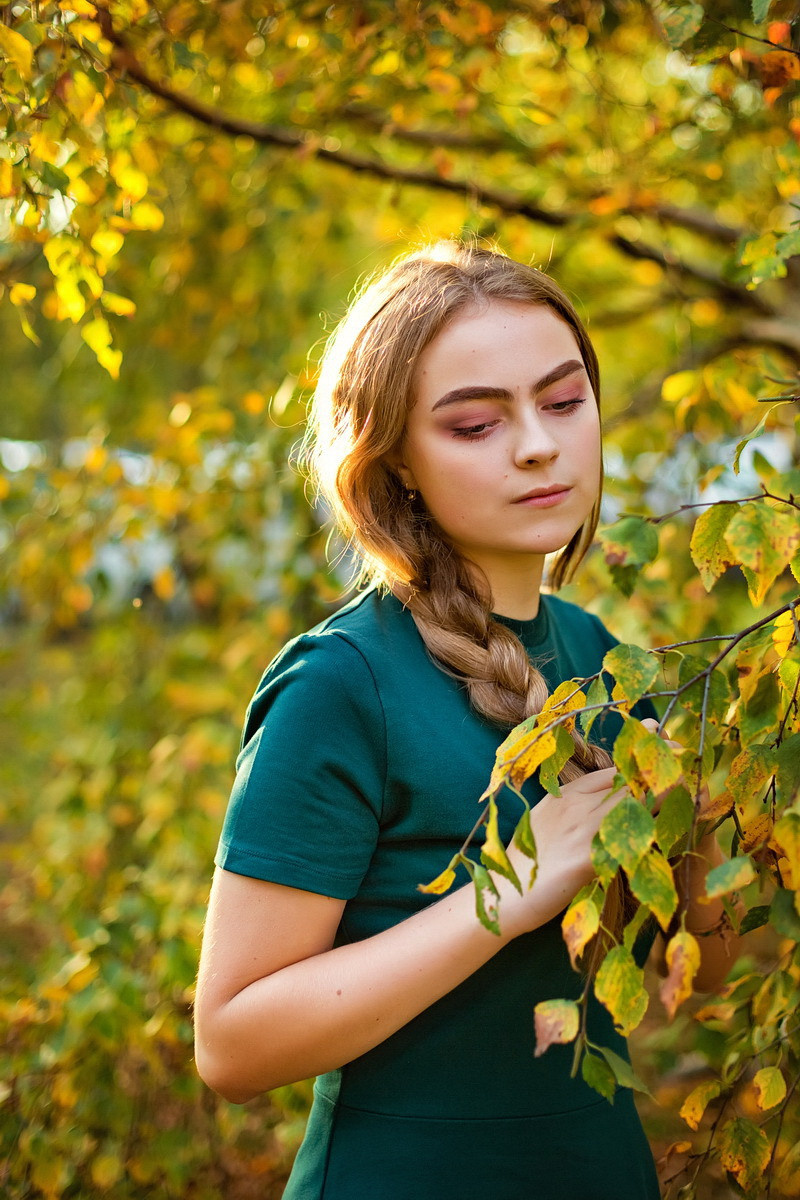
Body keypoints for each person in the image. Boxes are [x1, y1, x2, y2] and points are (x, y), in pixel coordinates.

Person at [194, 242, 734, 1199]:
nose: (536, 444)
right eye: (477, 423)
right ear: (395, 460)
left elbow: (698, 979)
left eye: (564, 403)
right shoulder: (342, 684)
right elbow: (232, 1046)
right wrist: (510, 892)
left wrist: (736, 811)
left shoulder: (614, 667)